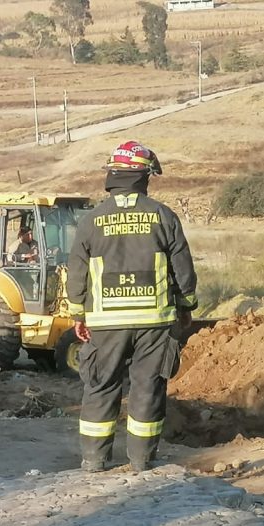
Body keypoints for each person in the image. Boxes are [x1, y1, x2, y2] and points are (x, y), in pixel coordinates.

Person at [66, 140, 198, 472]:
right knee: (147, 388)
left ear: (111, 175)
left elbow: (77, 272)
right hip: (154, 324)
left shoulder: (91, 221)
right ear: (145, 177)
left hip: (105, 324)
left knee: (100, 386)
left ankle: (94, 461)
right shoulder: (163, 216)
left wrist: (78, 314)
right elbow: (182, 269)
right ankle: (142, 461)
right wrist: (186, 306)